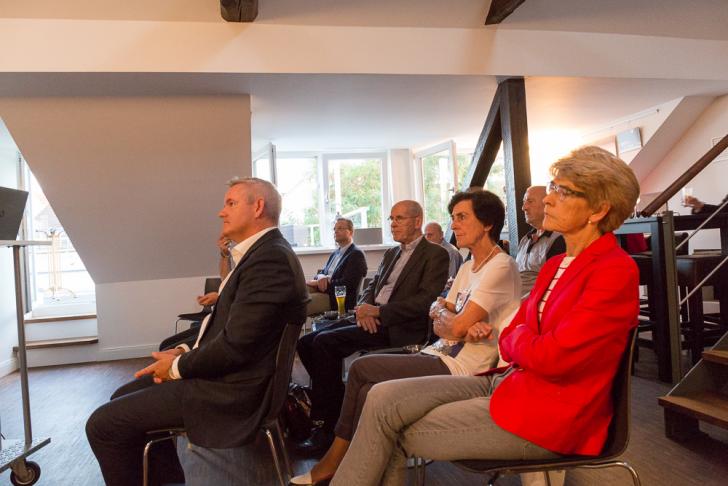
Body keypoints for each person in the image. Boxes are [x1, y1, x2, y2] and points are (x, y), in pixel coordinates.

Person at [329, 145, 641, 486]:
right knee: (380, 397)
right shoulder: (554, 265)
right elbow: (511, 334)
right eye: (552, 188)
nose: (549, 199)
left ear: (598, 210)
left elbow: (549, 355)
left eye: (562, 191)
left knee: (391, 426)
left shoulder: (613, 270)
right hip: (508, 382)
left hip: (549, 415)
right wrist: (519, 337)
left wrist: (517, 337)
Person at [85, 177, 309, 486]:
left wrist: (176, 368)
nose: (221, 212)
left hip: (234, 392)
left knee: (102, 425)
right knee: (121, 397)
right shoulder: (262, 254)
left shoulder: (270, 260)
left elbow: (236, 347)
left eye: (231, 203)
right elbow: (231, 330)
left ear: (258, 207)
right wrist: (183, 351)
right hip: (230, 379)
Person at [291, 190, 521, 486]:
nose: (454, 225)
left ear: (487, 223)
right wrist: (449, 317)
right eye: (453, 218)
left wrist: (451, 319)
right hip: (440, 350)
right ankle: (338, 450)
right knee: (326, 353)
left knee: (358, 367)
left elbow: (438, 314)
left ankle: (334, 458)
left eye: (462, 217)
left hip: (457, 361)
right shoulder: (467, 266)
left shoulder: (499, 265)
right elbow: (438, 314)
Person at [295, 200, 449, 455]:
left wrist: (379, 312)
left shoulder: (435, 254)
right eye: (391, 219)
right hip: (371, 316)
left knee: (324, 343)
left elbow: (425, 301)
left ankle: (329, 427)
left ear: (418, 221)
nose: (393, 224)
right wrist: (364, 308)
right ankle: (339, 403)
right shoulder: (391, 253)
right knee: (305, 342)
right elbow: (370, 287)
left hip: (399, 326)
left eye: (399, 218)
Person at [306, 218, 367, 316]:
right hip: (326, 291)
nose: (336, 231)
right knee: (298, 292)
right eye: (335, 229)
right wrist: (320, 277)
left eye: (340, 228)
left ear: (351, 232)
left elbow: (346, 285)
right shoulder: (335, 253)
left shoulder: (356, 254)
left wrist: (317, 284)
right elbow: (322, 273)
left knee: (302, 304)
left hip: (337, 299)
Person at [516, 185, 565, 295]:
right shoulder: (525, 240)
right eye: (524, 202)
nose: (524, 207)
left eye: (530, 201)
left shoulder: (559, 240)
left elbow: (555, 287)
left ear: (547, 203)